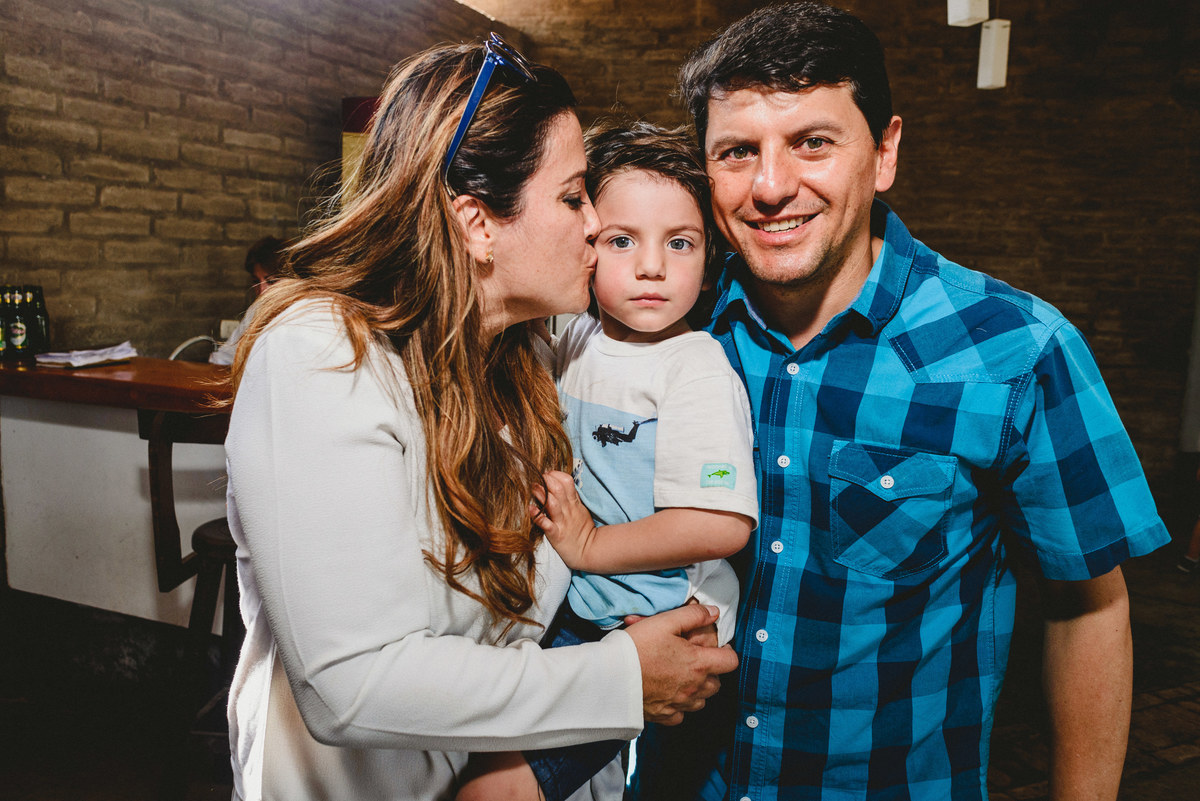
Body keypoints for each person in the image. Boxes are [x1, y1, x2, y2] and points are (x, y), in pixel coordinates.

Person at [630, 4, 1171, 800]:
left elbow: (1086, 606)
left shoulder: (1014, 348)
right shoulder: (663, 329)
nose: (772, 186)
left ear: (882, 154)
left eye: (813, 142)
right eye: (737, 152)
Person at [221, 35, 737, 801]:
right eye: (572, 198)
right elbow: (352, 682)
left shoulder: (523, 351)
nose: (596, 225)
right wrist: (622, 677)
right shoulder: (320, 354)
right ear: (476, 221)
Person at [457, 121, 759, 801]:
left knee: (497, 789)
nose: (651, 266)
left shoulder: (695, 367)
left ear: (709, 256)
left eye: (679, 243)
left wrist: (590, 543)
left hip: (654, 620)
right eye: (622, 240)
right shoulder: (574, 338)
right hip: (580, 611)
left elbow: (719, 523)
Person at [209, 236, 288, 365]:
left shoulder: (306, 313)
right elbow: (225, 356)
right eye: (256, 282)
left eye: (271, 281)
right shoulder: (257, 310)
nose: (262, 290)